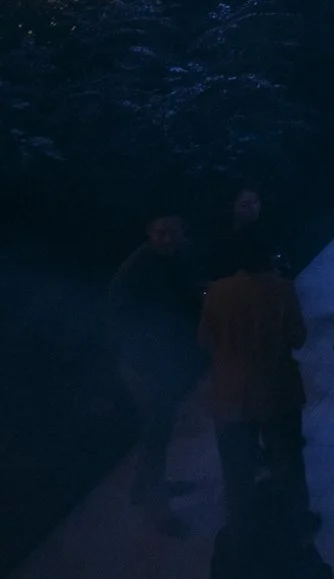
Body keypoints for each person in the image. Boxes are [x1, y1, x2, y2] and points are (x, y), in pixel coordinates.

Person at [201, 231, 309, 531]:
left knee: (237, 471)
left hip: (229, 395)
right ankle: (298, 522)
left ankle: (241, 528)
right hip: (277, 389)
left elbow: (205, 339)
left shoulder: (217, 292)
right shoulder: (282, 289)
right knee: (287, 463)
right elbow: (298, 337)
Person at [106, 210, 204, 528]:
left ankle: (142, 486)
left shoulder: (184, 253)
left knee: (160, 422)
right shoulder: (136, 269)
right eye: (159, 233)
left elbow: (194, 291)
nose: (165, 239)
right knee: (158, 423)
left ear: (182, 231)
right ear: (149, 232)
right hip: (139, 358)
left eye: (172, 232)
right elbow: (121, 318)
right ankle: (156, 504)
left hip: (165, 351)